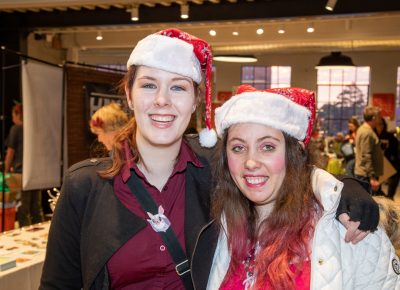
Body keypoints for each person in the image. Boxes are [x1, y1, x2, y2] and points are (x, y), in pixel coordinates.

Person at [40, 29, 379, 290]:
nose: (162, 101)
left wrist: (343, 188)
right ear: (129, 94)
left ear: (195, 102)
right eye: (148, 86)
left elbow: (272, 164)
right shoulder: (84, 187)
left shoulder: (216, 170)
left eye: (177, 88)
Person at [191, 85, 399, 290]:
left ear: (294, 153)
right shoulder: (217, 228)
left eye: (268, 147)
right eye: (238, 148)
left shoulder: (346, 229)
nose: (251, 162)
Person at [4, 103, 44, 227]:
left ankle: (26, 238)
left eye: (13, 115)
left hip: (21, 174)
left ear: (18, 114)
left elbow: (10, 152)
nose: (12, 118)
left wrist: (5, 171)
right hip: (35, 173)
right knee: (36, 208)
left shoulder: (16, 129)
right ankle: (41, 236)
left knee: (23, 209)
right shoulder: (35, 129)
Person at [355, 106, 384, 195]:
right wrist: (372, 177)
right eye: (379, 116)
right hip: (366, 175)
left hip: (366, 173)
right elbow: (366, 155)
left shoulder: (365, 130)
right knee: (368, 204)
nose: (381, 118)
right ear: (374, 118)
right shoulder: (367, 132)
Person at [376, 118, 400, 199]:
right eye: (378, 124)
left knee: (394, 179)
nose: (380, 126)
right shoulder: (373, 135)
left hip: (390, 163)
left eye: (381, 124)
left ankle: (389, 198)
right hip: (377, 163)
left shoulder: (390, 136)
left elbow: (395, 150)